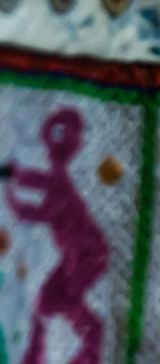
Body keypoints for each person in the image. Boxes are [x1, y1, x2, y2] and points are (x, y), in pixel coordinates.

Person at [6, 108, 107, 364]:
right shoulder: (56, 178)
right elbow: (33, 180)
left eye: (61, 137)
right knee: (46, 301)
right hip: (73, 254)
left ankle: (92, 345)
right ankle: (34, 357)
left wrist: (12, 198)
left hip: (88, 253)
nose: (52, 146)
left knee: (67, 299)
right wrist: (12, 176)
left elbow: (36, 210)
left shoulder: (61, 184)